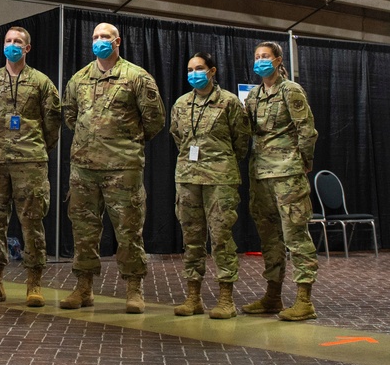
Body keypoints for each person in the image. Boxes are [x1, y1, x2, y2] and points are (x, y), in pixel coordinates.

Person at [61, 22, 164, 314]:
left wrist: (125, 142)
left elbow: (154, 120)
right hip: (83, 168)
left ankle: (134, 288)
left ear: (118, 41)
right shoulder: (79, 79)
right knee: (83, 230)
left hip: (123, 167)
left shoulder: (136, 77)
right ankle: (83, 288)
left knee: (129, 231)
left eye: (105, 36)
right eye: (95, 37)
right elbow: (70, 115)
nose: (99, 41)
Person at [0, 26, 61, 307]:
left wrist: (33, 147)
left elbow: (52, 123)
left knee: (32, 223)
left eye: (18, 42)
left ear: (27, 48)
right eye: (8, 41)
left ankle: (34, 284)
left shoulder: (42, 82)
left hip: (30, 161)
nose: (12, 45)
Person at [169, 52, 251, 319]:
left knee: (221, 240)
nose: (194, 73)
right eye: (191, 69)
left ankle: (226, 299)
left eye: (200, 68)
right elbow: (178, 137)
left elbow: (241, 141)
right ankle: (193, 297)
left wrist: (219, 161)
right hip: (188, 178)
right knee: (191, 241)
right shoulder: (181, 104)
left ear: (212, 71)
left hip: (220, 179)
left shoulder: (228, 102)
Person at [242, 40, 319, 321]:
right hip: (260, 175)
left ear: (278, 60)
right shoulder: (253, 96)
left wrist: (302, 164)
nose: (261, 60)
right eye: (257, 56)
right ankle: (273, 296)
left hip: (288, 175)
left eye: (266, 56)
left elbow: (307, 131)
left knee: (296, 235)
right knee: (269, 238)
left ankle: (304, 300)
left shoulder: (291, 91)